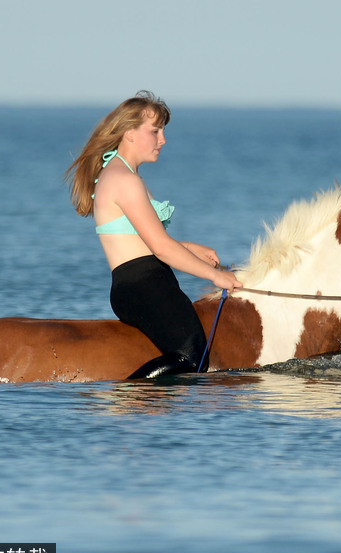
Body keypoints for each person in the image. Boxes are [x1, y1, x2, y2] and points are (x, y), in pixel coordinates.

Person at [66, 91, 241, 379]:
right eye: (155, 131)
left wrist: (190, 249)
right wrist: (215, 277)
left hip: (143, 283)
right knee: (192, 357)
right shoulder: (125, 180)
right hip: (143, 286)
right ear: (129, 133)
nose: (163, 140)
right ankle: (128, 392)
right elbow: (160, 247)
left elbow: (141, 240)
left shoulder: (120, 173)